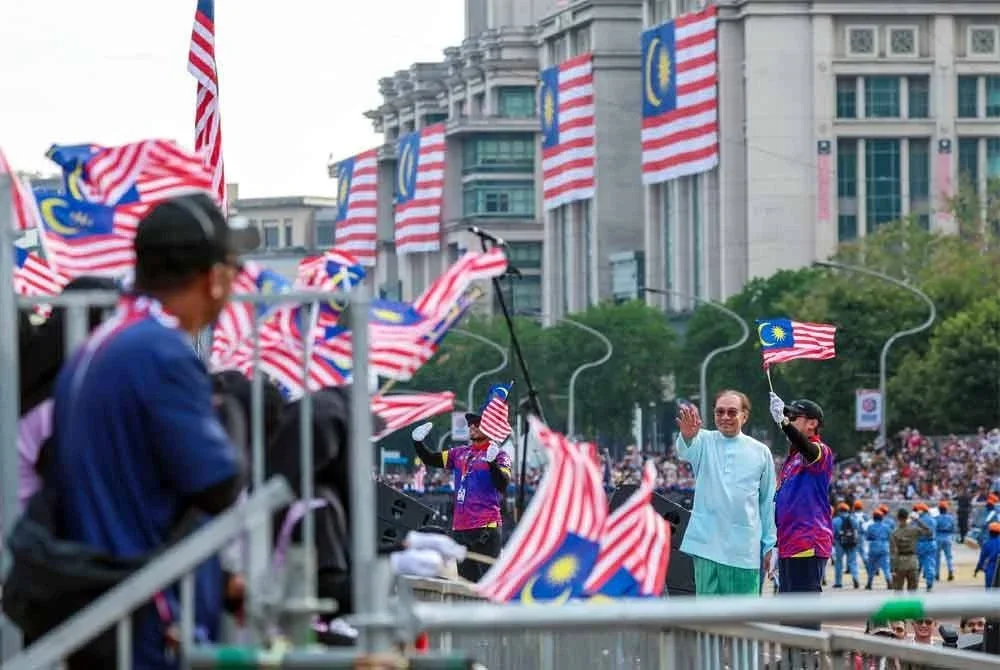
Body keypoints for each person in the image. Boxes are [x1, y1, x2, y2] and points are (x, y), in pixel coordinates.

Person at [37, 193, 255, 668]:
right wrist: (232, 416)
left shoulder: (108, 340)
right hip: (143, 613)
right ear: (214, 277)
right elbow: (218, 482)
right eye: (234, 270)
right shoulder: (161, 352)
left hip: (105, 601)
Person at [675, 391, 776, 596]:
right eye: (720, 412)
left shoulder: (761, 452)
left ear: (744, 416)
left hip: (744, 549)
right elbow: (685, 451)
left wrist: (769, 545)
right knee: (709, 618)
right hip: (707, 545)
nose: (725, 417)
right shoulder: (703, 439)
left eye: (732, 412)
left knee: (743, 619)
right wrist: (687, 435)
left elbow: (766, 502)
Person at [410, 384, 513, 582]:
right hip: (461, 528)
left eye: (477, 423)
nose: (471, 427)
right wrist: (418, 443)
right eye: (470, 424)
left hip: (486, 528)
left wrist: (491, 463)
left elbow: (502, 483)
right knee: (465, 587)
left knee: (488, 586)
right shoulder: (460, 453)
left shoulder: (499, 455)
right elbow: (431, 459)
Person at [767, 394, 834, 604]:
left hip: (807, 542)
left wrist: (784, 424)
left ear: (812, 423)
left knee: (803, 612)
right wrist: (776, 545)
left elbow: (808, 448)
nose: (790, 419)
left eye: (795, 416)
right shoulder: (792, 460)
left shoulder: (820, 451)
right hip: (788, 543)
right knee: (789, 613)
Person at [891, 508, 932, 592]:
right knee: (913, 593)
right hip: (912, 562)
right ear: (907, 517)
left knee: (898, 592)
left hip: (900, 563)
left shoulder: (894, 532)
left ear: (898, 518)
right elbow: (929, 532)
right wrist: (917, 520)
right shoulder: (914, 530)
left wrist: (893, 568)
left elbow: (893, 552)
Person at [832, 502, 861, 589]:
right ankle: (855, 578)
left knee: (839, 563)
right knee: (852, 562)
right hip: (852, 543)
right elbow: (857, 530)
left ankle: (838, 582)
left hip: (839, 543)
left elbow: (833, 533)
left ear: (839, 510)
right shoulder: (853, 519)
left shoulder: (835, 520)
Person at [864, 508, 892, 590]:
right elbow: (890, 536)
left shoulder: (870, 527)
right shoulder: (886, 527)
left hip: (873, 547)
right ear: (882, 518)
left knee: (872, 567)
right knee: (886, 567)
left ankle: (869, 583)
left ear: (873, 518)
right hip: (884, 547)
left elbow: (868, 537)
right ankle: (889, 582)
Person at [914, 503, 938, 591]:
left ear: (922, 510)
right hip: (930, 543)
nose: (917, 512)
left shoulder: (917, 521)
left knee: (917, 565)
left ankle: (914, 583)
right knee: (929, 564)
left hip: (919, 544)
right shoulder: (933, 520)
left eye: (918, 510)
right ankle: (929, 584)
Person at [974, 522, 1000, 589]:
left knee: (990, 594)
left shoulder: (986, 544)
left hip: (990, 572)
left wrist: (977, 569)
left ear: (989, 532)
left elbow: (981, 559)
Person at [935, 500, 956, 582]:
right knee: (949, 557)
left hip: (938, 537)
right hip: (948, 537)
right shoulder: (950, 518)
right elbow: (953, 529)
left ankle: (936, 574)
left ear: (939, 509)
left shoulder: (936, 518)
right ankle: (950, 570)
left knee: (937, 557)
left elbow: (934, 528)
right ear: (946, 509)